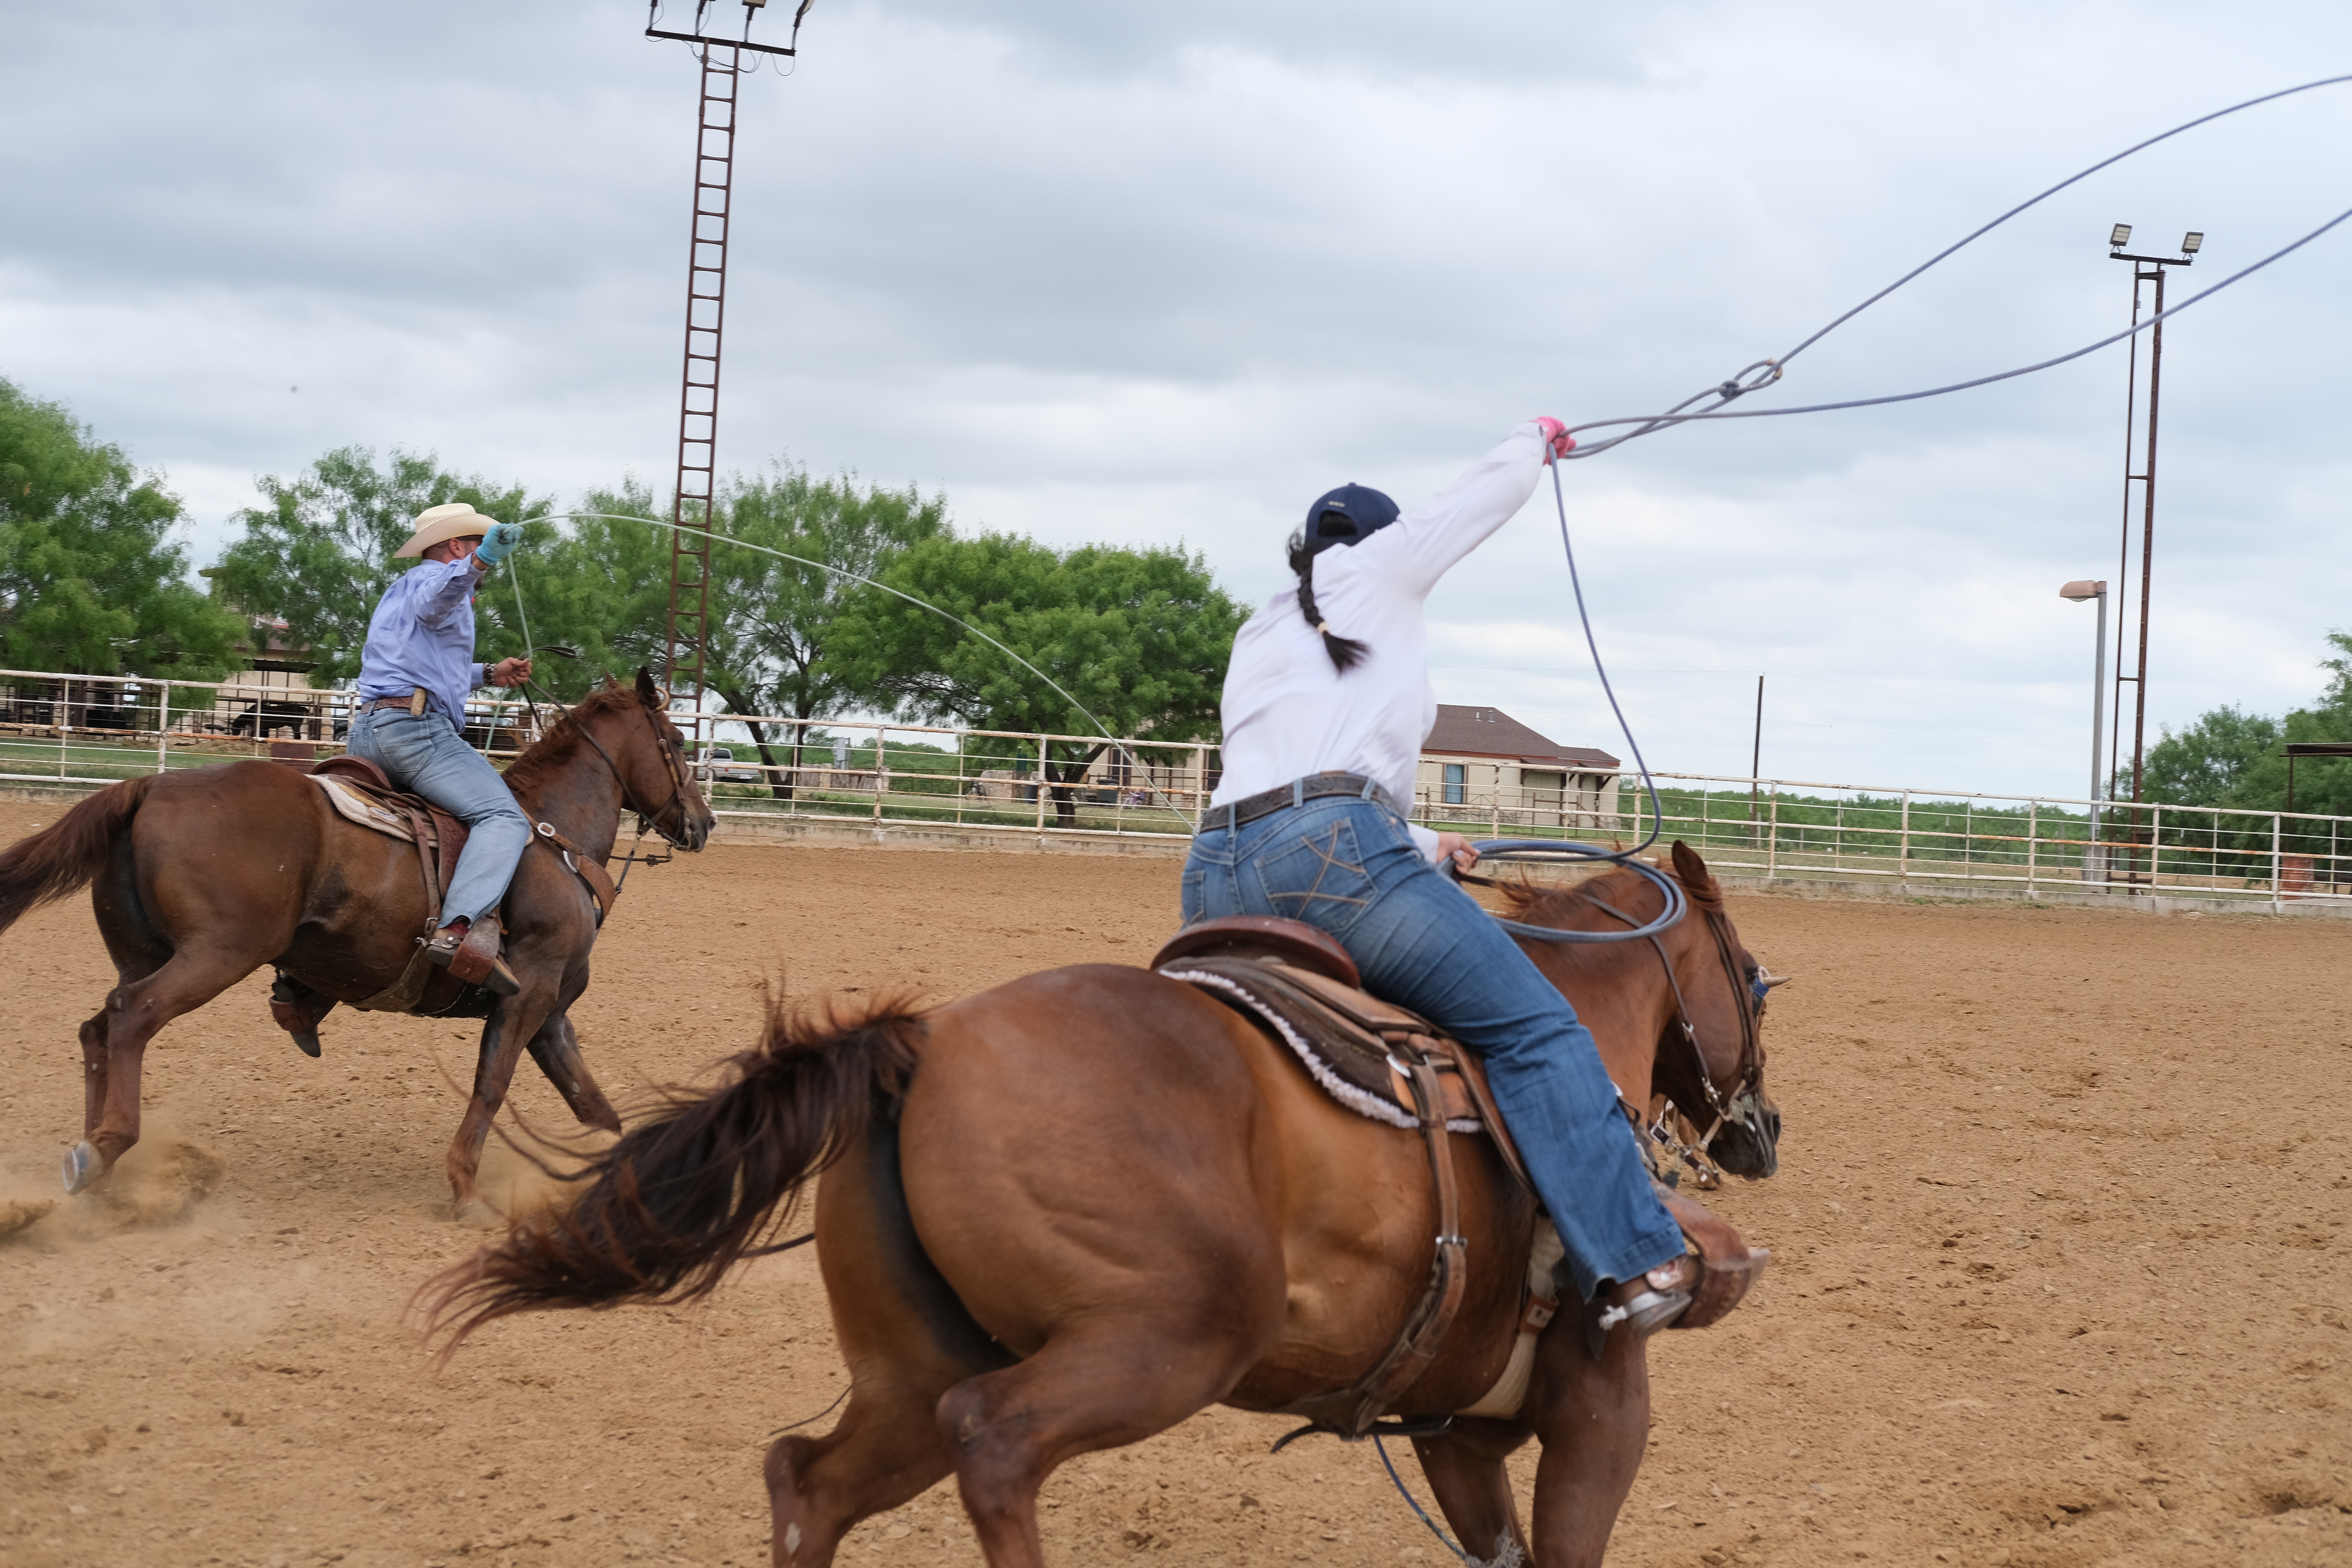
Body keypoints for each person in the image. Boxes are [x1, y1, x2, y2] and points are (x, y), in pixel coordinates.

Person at [1182, 417, 1725, 1351]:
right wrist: (1535, 441)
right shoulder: (1379, 573)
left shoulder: (1261, 626)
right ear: (1377, 544)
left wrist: (1428, 840)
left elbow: (1291, 773)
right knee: (1539, 1029)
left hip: (1215, 873)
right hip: (1335, 859)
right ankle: (1637, 1260)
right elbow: (1472, 503)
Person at [346, 503, 534, 995]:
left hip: (367, 732)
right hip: (415, 735)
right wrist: (480, 563)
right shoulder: (445, 581)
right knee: (503, 817)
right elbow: (439, 601)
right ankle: (457, 930)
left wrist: (489, 674)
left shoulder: (401, 587)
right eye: (475, 542)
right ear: (457, 545)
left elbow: (420, 658)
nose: (479, 558)